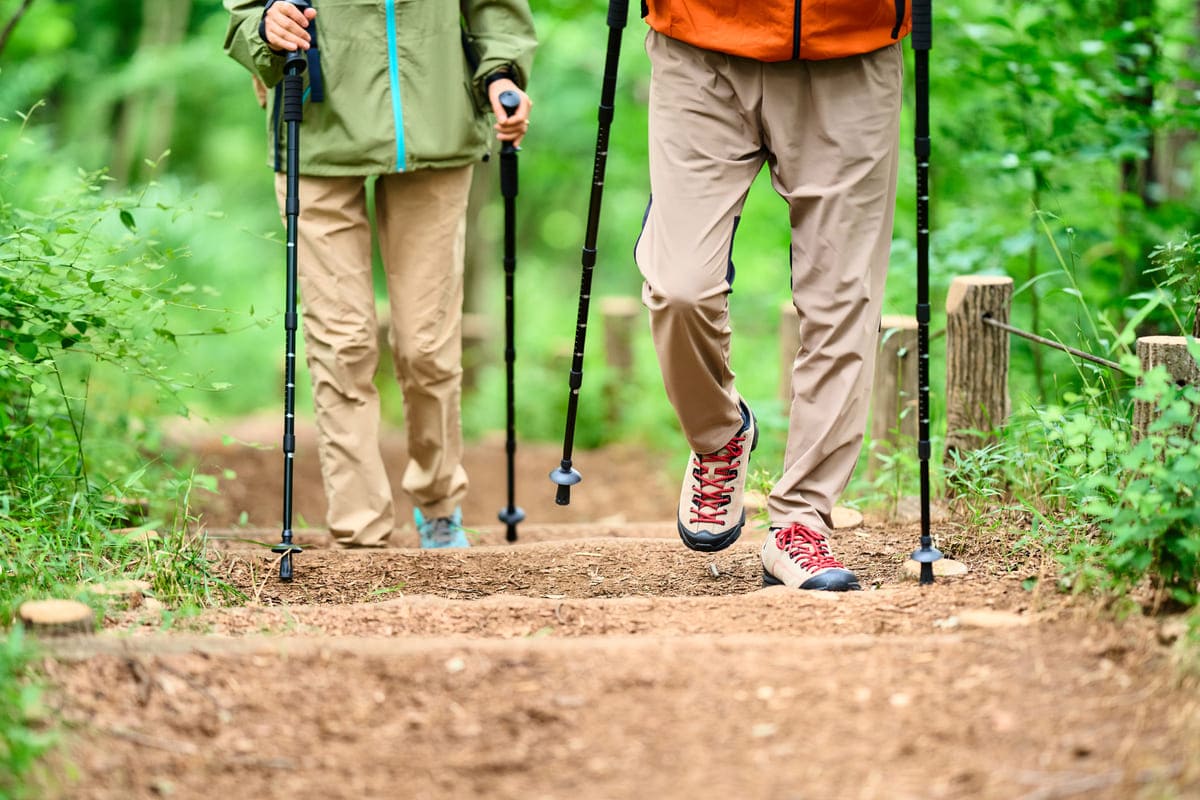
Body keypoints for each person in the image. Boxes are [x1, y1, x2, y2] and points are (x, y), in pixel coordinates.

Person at [223, 0, 536, 549]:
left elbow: (496, 11)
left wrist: (501, 73)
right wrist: (264, 27)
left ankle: (439, 505)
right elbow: (245, 13)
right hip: (317, 125)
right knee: (342, 341)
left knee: (426, 345)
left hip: (436, 123)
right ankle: (359, 529)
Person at [635, 0, 908, 589]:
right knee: (680, 285)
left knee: (842, 298)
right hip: (699, 39)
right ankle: (718, 434)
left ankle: (801, 521)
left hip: (851, 44)